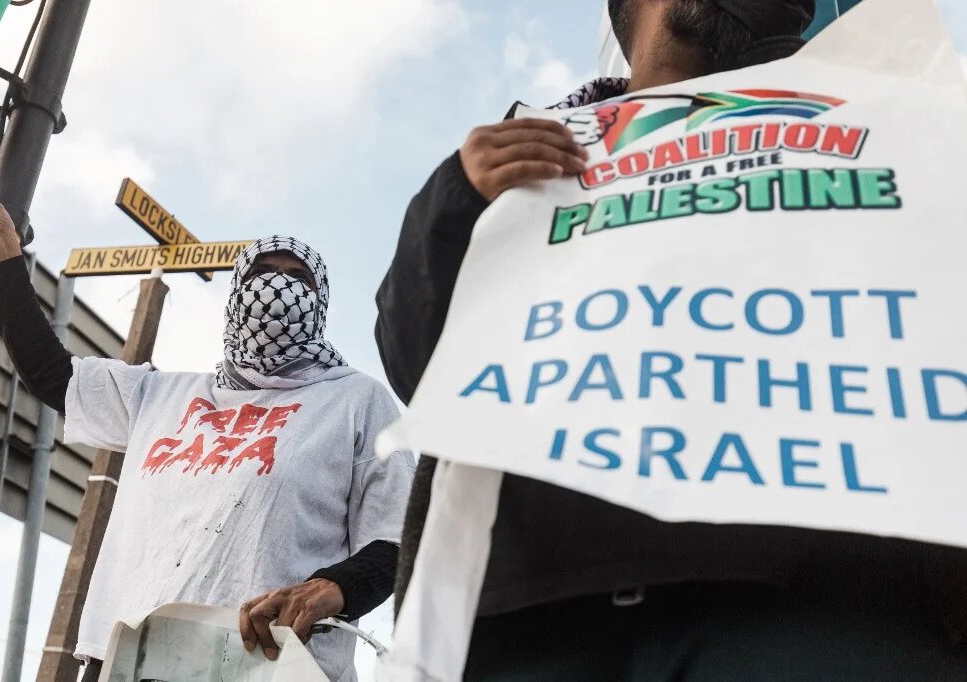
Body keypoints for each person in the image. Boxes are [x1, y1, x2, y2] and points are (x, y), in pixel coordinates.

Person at [375, 0, 967, 679]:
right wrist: (457, 201)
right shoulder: (521, 161)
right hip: (535, 616)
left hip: (822, 605)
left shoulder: (874, 116)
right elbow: (420, 365)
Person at [0, 175, 415, 682]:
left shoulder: (356, 402)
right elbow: (49, 372)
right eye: (263, 270)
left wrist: (332, 588)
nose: (278, 285)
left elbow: (398, 537)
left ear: (320, 302)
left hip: (267, 665)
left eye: (297, 279)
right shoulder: (160, 395)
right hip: (129, 661)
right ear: (238, 288)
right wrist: (4, 257)